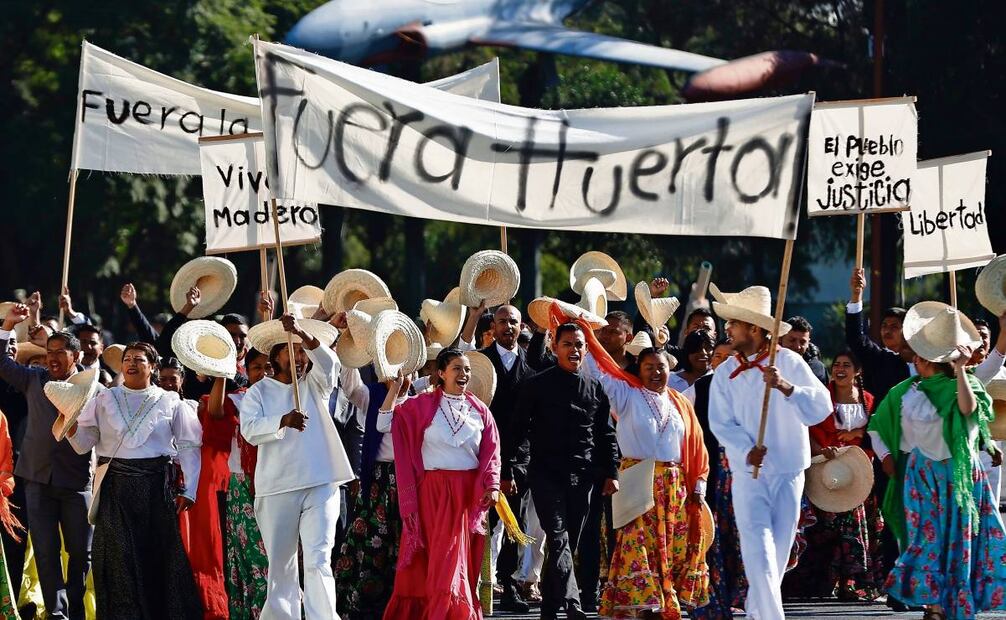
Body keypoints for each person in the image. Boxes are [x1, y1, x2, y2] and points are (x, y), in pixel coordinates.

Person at [708, 286, 831, 620]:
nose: (727, 330)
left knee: (777, 550)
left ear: (754, 328)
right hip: (749, 475)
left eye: (733, 324)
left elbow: (821, 407)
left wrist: (786, 387)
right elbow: (721, 423)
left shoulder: (789, 362)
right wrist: (747, 450)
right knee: (757, 546)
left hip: (790, 469)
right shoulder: (723, 374)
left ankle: (756, 611)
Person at [579, 320, 710, 619]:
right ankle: (643, 603)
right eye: (649, 366)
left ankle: (665, 600)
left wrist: (698, 486)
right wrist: (583, 334)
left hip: (673, 484)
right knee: (637, 543)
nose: (656, 372)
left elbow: (696, 445)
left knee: (670, 544)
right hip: (636, 479)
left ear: (669, 370)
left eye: (661, 366)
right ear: (640, 369)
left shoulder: (680, 402)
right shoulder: (626, 395)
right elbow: (598, 373)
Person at [869, 338, 1006, 620]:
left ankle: (951, 604)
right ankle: (934, 606)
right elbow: (877, 425)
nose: (914, 357)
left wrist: (960, 371)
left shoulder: (966, 384)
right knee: (926, 539)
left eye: (920, 354)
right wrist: (885, 456)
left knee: (956, 542)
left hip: (959, 477)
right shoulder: (904, 392)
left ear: (932, 359)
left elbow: (969, 411)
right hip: (920, 476)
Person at [66, 341, 203, 619]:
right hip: (115, 488)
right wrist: (69, 427)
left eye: (139, 359)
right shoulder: (105, 399)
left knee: (156, 558)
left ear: (152, 366)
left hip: (156, 489)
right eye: (127, 358)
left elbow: (189, 446)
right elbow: (84, 444)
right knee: (118, 560)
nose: (130, 363)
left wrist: (189, 489)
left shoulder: (170, 400)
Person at [239, 314, 354, 620]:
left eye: (303, 351)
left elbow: (330, 365)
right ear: (275, 356)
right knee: (281, 567)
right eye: (293, 351)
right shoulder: (258, 392)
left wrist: (301, 331)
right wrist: (283, 420)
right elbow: (249, 430)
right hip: (276, 488)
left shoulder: (315, 384)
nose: (300, 358)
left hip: (321, 482)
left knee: (318, 559)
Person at [507, 321, 620, 620]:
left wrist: (612, 472)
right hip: (545, 475)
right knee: (558, 539)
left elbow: (605, 433)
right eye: (568, 344)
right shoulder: (537, 385)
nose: (574, 349)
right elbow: (517, 430)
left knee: (567, 543)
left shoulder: (594, 387)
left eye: (579, 345)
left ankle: (548, 609)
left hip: (583, 478)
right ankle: (572, 602)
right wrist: (507, 470)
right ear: (555, 347)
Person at [379, 348, 501, 619]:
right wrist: (396, 389)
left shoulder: (480, 411)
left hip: (467, 494)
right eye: (457, 368)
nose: (464, 374)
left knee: (456, 559)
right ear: (441, 373)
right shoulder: (420, 405)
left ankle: (447, 611)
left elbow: (492, 453)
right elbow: (383, 423)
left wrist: (492, 486)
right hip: (432, 492)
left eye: (467, 369)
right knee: (442, 557)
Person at [0, 305, 93, 620]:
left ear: (75, 357)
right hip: (37, 481)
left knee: (81, 554)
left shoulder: (93, 389)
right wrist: (9, 324)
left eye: (61, 352)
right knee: (45, 551)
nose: (52, 357)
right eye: (49, 350)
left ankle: (78, 610)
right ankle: (56, 613)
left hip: (77, 483)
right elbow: (0, 362)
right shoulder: (33, 379)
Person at [460, 303, 538, 613]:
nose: (508, 327)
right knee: (478, 523)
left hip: (517, 459)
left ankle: (508, 585)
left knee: (512, 524)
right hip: (478, 456)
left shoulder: (531, 369)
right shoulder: (479, 363)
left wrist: (515, 465)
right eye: (503, 321)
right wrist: (475, 315)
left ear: (521, 328)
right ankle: (472, 584)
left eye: (514, 323)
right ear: (494, 327)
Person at [800, 350, 884, 601]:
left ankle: (851, 583)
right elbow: (809, 430)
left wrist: (859, 435)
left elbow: (876, 432)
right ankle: (825, 582)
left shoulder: (869, 400)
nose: (840, 369)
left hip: (859, 473)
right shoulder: (822, 398)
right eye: (836, 364)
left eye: (847, 365)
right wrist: (821, 450)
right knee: (827, 529)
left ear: (858, 371)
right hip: (827, 471)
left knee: (857, 525)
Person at [220, 348, 270, 619]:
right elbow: (215, 412)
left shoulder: (290, 399)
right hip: (242, 487)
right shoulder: (236, 401)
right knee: (251, 557)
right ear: (246, 371)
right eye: (256, 367)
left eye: (268, 366)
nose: (263, 373)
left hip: (279, 484)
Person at [782, 316, 827, 384]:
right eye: (792, 340)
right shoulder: (770, 362)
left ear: (808, 342)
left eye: (802, 342)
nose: (798, 346)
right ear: (781, 338)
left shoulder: (816, 368)